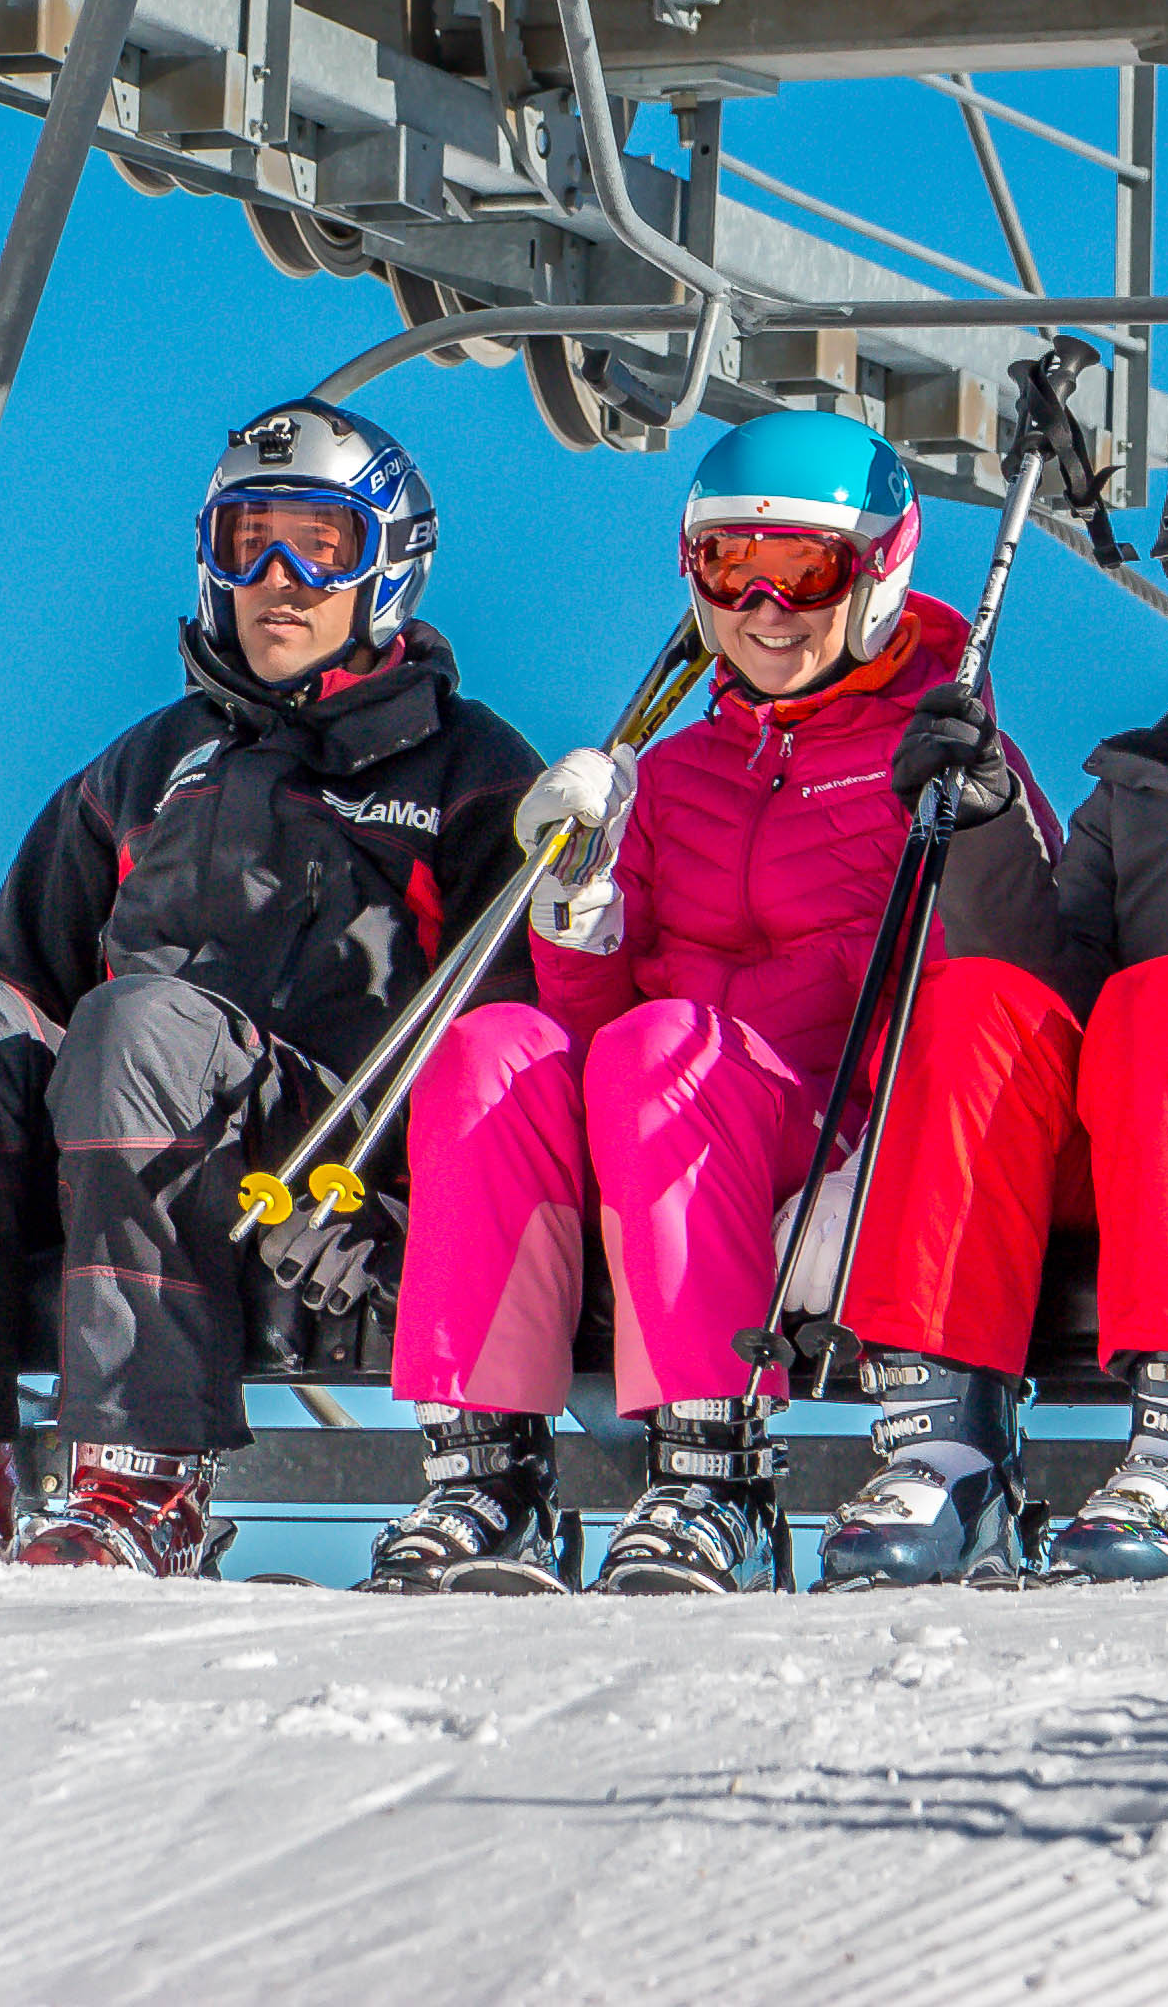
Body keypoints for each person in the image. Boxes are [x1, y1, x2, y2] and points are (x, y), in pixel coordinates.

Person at [0, 400, 540, 1574]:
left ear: (389, 567)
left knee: (141, 1027)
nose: (283, 580)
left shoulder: (465, 766)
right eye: (248, 543)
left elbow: (511, 1022)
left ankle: (144, 1477)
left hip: (322, 1168)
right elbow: (17, 987)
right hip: (120, 1135)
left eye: (324, 544)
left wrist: (403, 1208)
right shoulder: (152, 765)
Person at [368, 408, 1060, 1598]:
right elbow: (585, 1035)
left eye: (804, 569)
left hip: (832, 1134)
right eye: (731, 567)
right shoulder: (668, 775)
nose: (767, 607)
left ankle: (713, 1477)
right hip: (666, 1116)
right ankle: (489, 1476)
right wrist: (574, 908)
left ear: (877, 576)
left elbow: (1020, 972)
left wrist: (982, 818)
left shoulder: (936, 752)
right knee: (495, 1045)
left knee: (666, 1048)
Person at [811, 413, 1168, 1587]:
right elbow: (1048, 992)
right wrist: (980, 827)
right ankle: (949, 1450)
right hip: (1149, 1141)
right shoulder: (1142, 786)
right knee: (975, 1000)